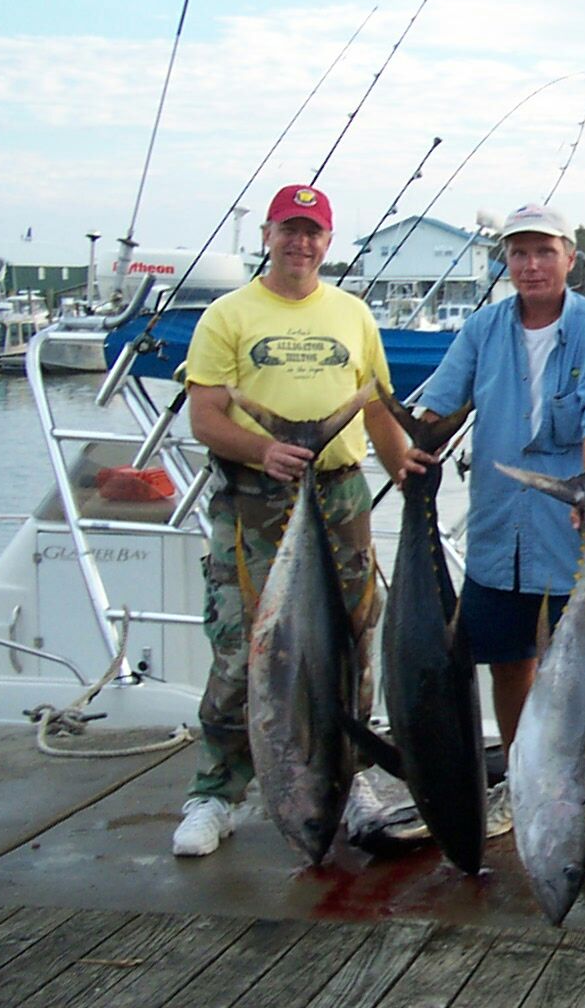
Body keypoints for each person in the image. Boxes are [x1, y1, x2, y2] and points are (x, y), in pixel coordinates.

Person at [173, 183, 429, 857]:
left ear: (328, 241)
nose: (300, 242)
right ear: (267, 235)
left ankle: (349, 775)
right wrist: (264, 449)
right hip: (255, 501)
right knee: (243, 649)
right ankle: (215, 792)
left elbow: (375, 407)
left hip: (341, 499)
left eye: (312, 231)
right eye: (289, 229)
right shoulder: (227, 316)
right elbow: (205, 418)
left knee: (350, 646)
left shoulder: (353, 314)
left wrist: (404, 471)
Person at [406, 203, 585, 878]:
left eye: (544, 252)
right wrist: (413, 444)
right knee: (509, 663)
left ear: (570, 257)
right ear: (505, 262)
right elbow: (442, 403)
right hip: (496, 534)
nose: (531, 265)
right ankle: (524, 779)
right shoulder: (484, 329)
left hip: (572, 533)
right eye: (518, 253)